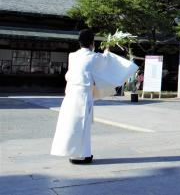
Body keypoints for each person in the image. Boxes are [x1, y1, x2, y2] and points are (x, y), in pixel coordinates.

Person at [50, 29, 138, 164]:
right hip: (83, 95)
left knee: (69, 124)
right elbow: (106, 62)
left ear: (79, 43)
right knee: (82, 125)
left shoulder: (72, 55)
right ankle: (82, 155)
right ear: (92, 43)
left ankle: (79, 153)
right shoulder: (94, 57)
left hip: (70, 94)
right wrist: (108, 50)